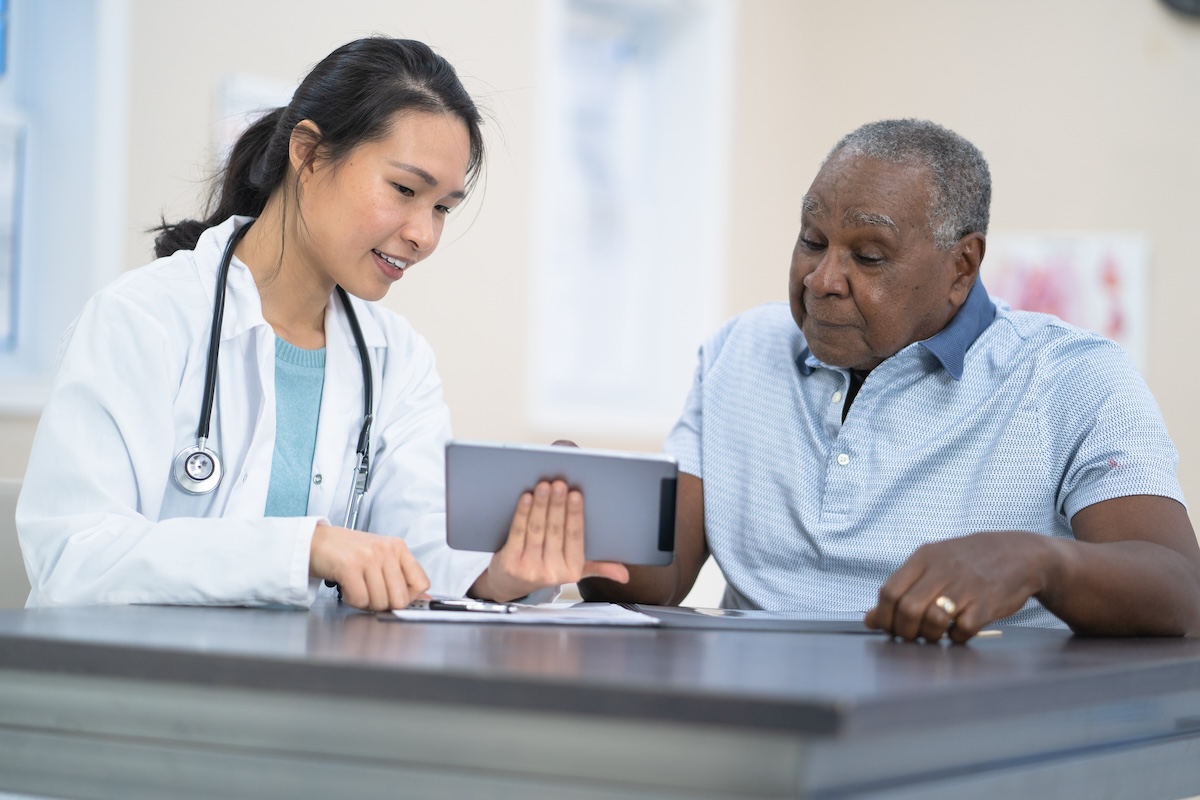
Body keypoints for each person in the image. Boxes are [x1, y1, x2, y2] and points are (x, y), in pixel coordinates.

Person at [17, 37, 628, 611]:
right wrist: (302, 548)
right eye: (404, 189)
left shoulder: (396, 359)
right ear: (308, 153)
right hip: (139, 700)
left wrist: (503, 574)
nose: (424, 234)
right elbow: (71, 558)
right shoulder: (142, 321)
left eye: (442, 207)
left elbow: (418, 552)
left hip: (314, 698)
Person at [581, 118, 1200, 642]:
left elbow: (1181, 591)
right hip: (765, 733)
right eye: (811, 240)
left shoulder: (1074, 378)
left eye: (868, 256)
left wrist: (1041, 561)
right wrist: (581, 517)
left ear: (962, 267)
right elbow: (662, 576)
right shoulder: (739, 352)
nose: (823, 278)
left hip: (971, 744)